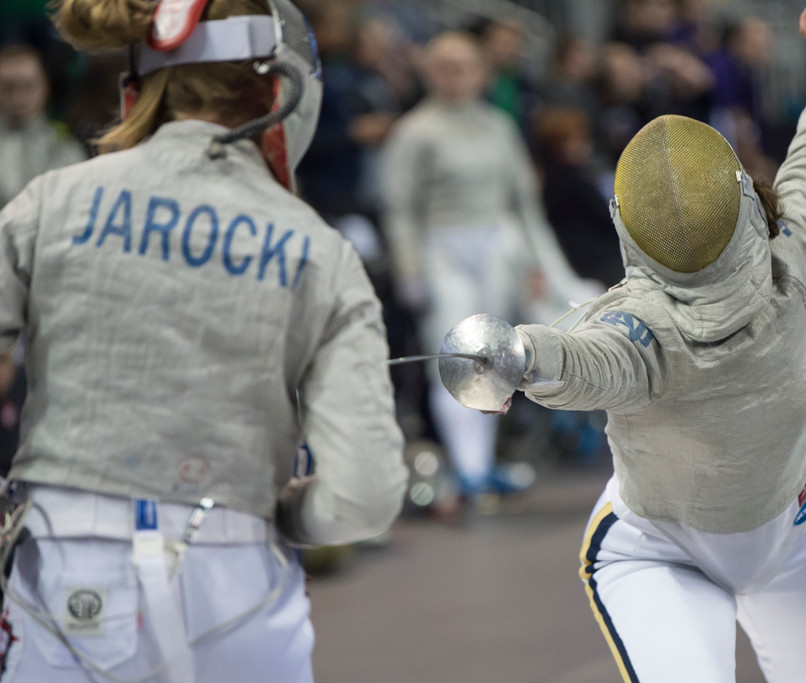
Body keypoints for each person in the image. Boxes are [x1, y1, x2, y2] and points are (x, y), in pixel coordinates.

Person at [442, 9, 806, 681]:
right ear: (741, 198)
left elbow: (579, 358)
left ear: (627, 228)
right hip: (660, 553)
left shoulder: (649, 319)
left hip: (791, 533)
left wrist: (519, 357)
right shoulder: (791, 256)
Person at [0, 1, 407, 681]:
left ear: (144, 84)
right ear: (281, 88)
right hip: (238, 585)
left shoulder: (50, 202)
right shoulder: (321, 251)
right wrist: (275, 510)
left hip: (68, 571)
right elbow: (362, 496)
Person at [381, 31, 591, 510]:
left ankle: (481, 464)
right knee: (454, 355)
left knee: (496, 355)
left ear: (481, 72)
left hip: (496, 247)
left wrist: (542, 266)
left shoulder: (499, 126)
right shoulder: (414, 131)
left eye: (463, 67)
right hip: (442, 249)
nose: (454, 76)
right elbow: (400, 208)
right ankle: (469, 471)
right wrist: (409, 269)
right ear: (429, 72)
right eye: (444, 67)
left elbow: (524, 206)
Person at [0, 43, 86, 208]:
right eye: (8, 88)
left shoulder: (64, 147)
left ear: (45, 86)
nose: (18, 98)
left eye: (28, 86)